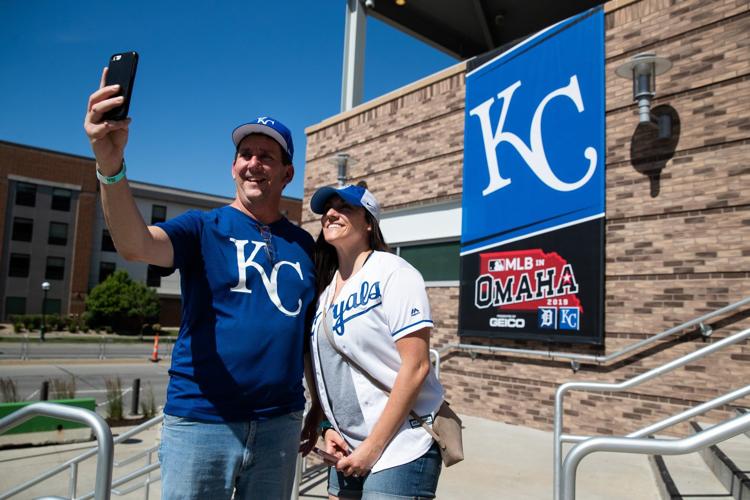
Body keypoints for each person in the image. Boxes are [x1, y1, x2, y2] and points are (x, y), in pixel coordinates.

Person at [84, 69, 318, 499]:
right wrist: (109, 166)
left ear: (287, 173)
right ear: (233, 167)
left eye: (267, 156)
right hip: (201, 421)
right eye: (246, 153)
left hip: (279, 426)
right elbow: (136, 245)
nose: (254, 163)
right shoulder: (202, 227)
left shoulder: (305, 245)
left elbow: (307, 337)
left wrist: (318, 404)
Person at [307, 183, 444, 499]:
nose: (331, 213)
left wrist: (373, 447)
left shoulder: (394, 272)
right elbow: (329, 372)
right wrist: (327, 427)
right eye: (328, 208)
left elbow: (417, 365)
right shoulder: (326, 292)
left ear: (369, 221)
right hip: (345, 446)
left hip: (400, 446)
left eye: (345, 207)